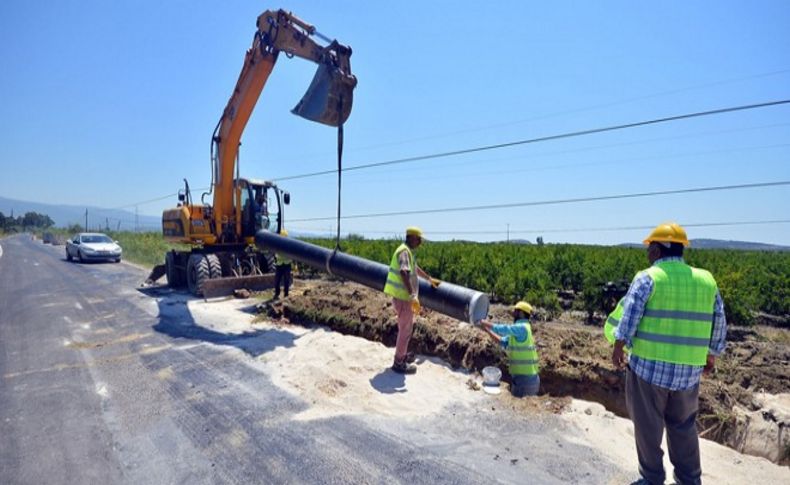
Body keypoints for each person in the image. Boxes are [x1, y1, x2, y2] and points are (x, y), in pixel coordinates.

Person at [611, 222, 727, 485]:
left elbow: (630, 316)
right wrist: (712, 355)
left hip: (648, 371)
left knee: (648, 428)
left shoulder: (648, 277)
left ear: (658, 249)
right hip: (688, 374)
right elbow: (718, 320)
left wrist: (619, 346)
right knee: (683, 427)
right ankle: (689, 480)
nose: (648, 253)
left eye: (650, 247)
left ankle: (652, 479)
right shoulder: (706, 279)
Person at [382, 226, 440, 374]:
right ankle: (399, 362)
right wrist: (413, 295)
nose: (420, 242)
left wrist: (428, 278)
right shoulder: (404, 252)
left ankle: (401, 355)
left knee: (406, 329)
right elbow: (404, 272)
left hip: (403, 298)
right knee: (405, 330)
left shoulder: (406, 251)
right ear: (412, 238)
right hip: (403, 299)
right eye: (419, 239)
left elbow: (414, 268)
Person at [479, 301, 540, 397]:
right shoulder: (518, 332)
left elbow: (505, 329)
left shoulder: (522, 328)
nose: (513, 314)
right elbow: (501, 341)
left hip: (526, 382)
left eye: (515, 311)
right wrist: (487, 330)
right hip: (523, 379)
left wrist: (485, 323)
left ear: (521, 313)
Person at [273, 229, 293, 299]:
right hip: (279, 264)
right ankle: (277, 293)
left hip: (287, 265)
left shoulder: (289, 245)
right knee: (277, 280)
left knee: (286, 280)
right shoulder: (277, 244)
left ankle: (286, 294)